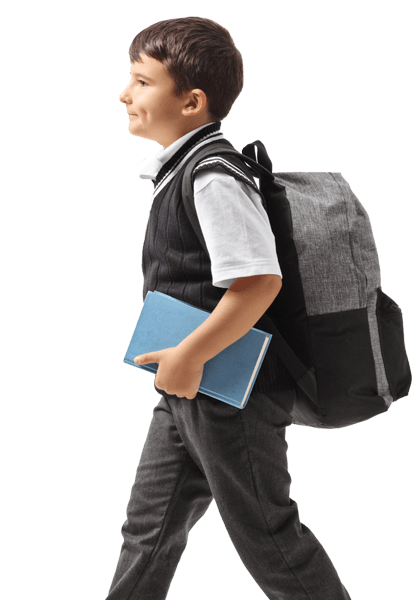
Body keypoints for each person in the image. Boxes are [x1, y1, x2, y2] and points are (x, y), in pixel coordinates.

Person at [106, 16, 351, 600]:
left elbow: (258, 283)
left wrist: (190, 356)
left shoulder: (213, 175)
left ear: (191, 101)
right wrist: (185, 367)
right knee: (149, 531)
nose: (125, 94)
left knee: (269, 537)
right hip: (193, 384)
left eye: (141, 82)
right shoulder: (181, 171)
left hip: (228, 390)